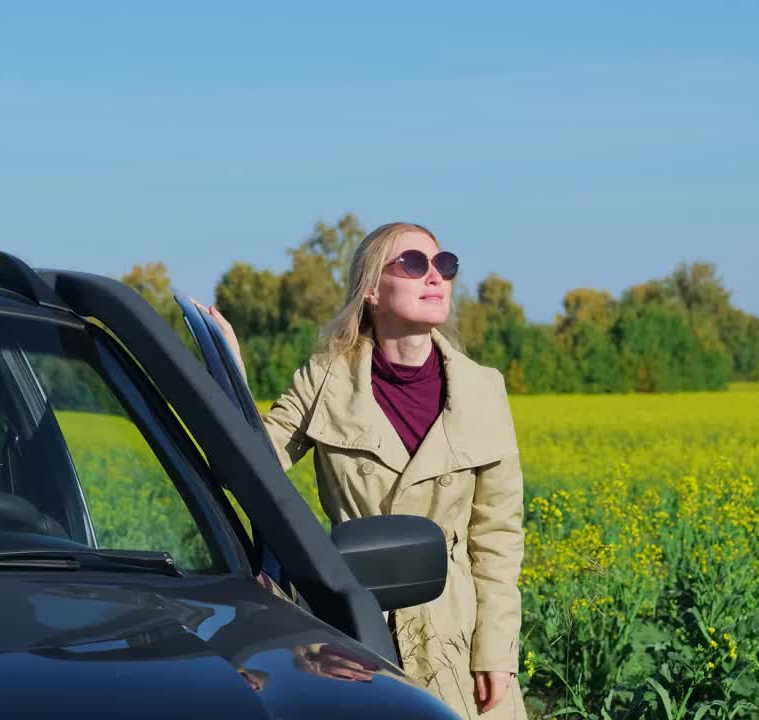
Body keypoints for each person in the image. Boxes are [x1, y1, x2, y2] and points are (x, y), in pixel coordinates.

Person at [198, 222, 526, 718]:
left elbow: (498, 536)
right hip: (352, 633)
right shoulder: (325, 378)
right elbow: (250, 470)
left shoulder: (485, 389)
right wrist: (233, 381)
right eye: (414, 265)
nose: (435, 277)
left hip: (458, 636)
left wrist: (497, 652)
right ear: (371, 290)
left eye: (445, 264)